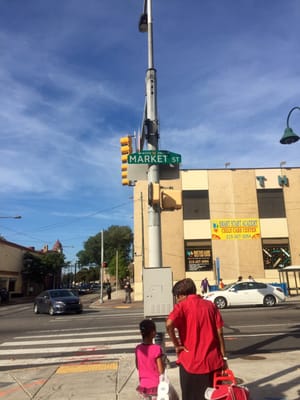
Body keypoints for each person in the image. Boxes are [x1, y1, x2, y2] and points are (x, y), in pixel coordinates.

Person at [166, 278, 227, 400]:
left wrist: (177, 345)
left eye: (177, 297)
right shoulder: (211, 306)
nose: (177, 300)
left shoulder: (181, 307)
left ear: (182, 295)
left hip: (190, 362)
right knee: (213, 396)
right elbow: (220, 333)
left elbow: (169, 324)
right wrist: (223, 357)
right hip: (213, 362)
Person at [135, 319, 165, 399]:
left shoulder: (138, 349)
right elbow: (161, 370)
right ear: (153, 333)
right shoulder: (156, 349)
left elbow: (137, 366)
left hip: (143, 384)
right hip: (155, 385)